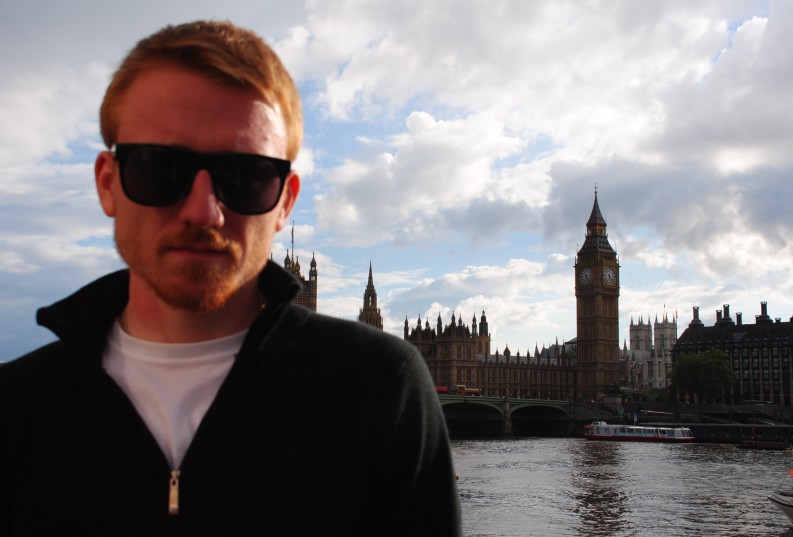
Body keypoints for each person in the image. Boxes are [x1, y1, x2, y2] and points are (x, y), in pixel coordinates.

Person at [0, 20, 462, 535]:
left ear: (284, 200)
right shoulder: (13, 412)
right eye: (159, 168)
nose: (202, 211)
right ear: (108, 184)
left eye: (245, 175)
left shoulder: (383, 389)